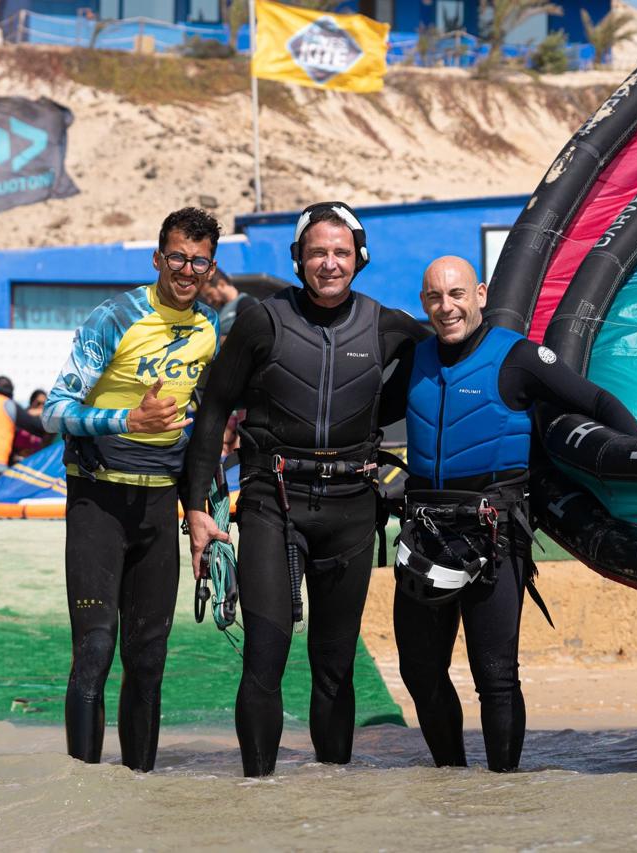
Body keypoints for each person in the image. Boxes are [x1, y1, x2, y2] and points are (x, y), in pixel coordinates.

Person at [184, 201, 429, 777]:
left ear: (359, 257)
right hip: (274, 501)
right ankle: (257, 799)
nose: (329, 263)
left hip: (351, 509)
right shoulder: (261, 321)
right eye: (318, 251)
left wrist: (372, 415)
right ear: (299, 258)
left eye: (341, 252)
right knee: (265, 659)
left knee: (335, 666)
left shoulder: (388, 325)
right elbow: (215, 408)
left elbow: (448, 361)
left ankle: (329, 803)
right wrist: (196, 506)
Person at [392, 256, 637, 772]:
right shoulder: (414, 361)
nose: (447, 307)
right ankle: (453, 780)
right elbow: (359, 415)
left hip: (494, 536)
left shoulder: (520, 358)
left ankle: (504, 787)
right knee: (420, 672)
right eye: (435, 297)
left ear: (480, 294)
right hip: (425, 535)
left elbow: (598, 402)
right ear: (423, 303)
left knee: (495, 675)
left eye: (457, 294)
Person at [42, 207, 222, 773]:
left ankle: (139, 793)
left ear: (211, 266)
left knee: (149, 661)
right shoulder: (115, 316)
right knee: (95, 652)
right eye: (177, 257)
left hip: (155, 511)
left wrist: (200, 509)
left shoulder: (210, 328)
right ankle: (82, 795)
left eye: (199, 261)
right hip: (99, 503)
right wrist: (126, 422)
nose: (187, 270)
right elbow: (54, 410)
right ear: (157, 258)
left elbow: (206, 427)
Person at [198, 269, 258, 338]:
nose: (209, 301)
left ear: (221, 284)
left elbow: (251, 335)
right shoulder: (219, 312)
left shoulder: (245, 302)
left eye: (209, 294)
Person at [11, 389, 48, 465]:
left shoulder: (47, 422)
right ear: (32, 402)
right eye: (38, 403)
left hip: (37, 463)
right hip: (19, 461)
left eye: (44, 404)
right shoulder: (21, 419)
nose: (41, 406)